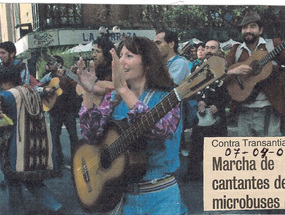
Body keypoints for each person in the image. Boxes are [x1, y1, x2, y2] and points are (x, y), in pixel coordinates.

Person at [77, 36, 187, 214]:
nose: (120, 61)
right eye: (120, 55)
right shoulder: (113, 98)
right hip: (123, 197)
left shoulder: (168, 97)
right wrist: (88, 94)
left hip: (160, 196)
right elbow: (91, 136)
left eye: (129, 56)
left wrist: (123, 90)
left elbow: (160, 130)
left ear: (148, 63)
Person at [0, 64, 62, 214]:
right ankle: (56, 207)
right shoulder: (31, 92)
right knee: (33, 182)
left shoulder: (10, 95)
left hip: (18, 148)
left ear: (5, 81)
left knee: (13, 180)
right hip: (36, 147)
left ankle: (17, 211)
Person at [226, 11, 285, 137]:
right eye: (244, 27)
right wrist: (233, 71)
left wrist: (275, 68)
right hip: (243, 109)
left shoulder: (273, 45)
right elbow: (220, 73)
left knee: (269, 152)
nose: (248, 30)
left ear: (261, 29)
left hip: (269, 108)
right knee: (245, 150)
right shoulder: (236, 50)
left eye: (252, 26)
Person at [185, 40, 230, 181]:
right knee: (196, 144)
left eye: (212, 48)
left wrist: (219, 105)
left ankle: (218, 177)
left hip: (218, 114)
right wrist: (200, 101)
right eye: (207, 47)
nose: (209, 50)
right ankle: (193, 174)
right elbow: (196, 89)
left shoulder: (226, 69)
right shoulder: (198, 68)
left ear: (219, 51)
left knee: (217, 147)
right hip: (202, 113)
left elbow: (231, 93)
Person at [34, 55, 79, 173]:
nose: (47, 65)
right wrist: (45, 90)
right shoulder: (47, 77)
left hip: (68, 110)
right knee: (54, 138)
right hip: (55, 111)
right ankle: (57, 164)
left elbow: (77, 85)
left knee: (73, 137)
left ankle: (77, 161)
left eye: (50, 63)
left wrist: (66, 78)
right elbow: (35, 88)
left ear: (58, 64)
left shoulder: (69, 76)